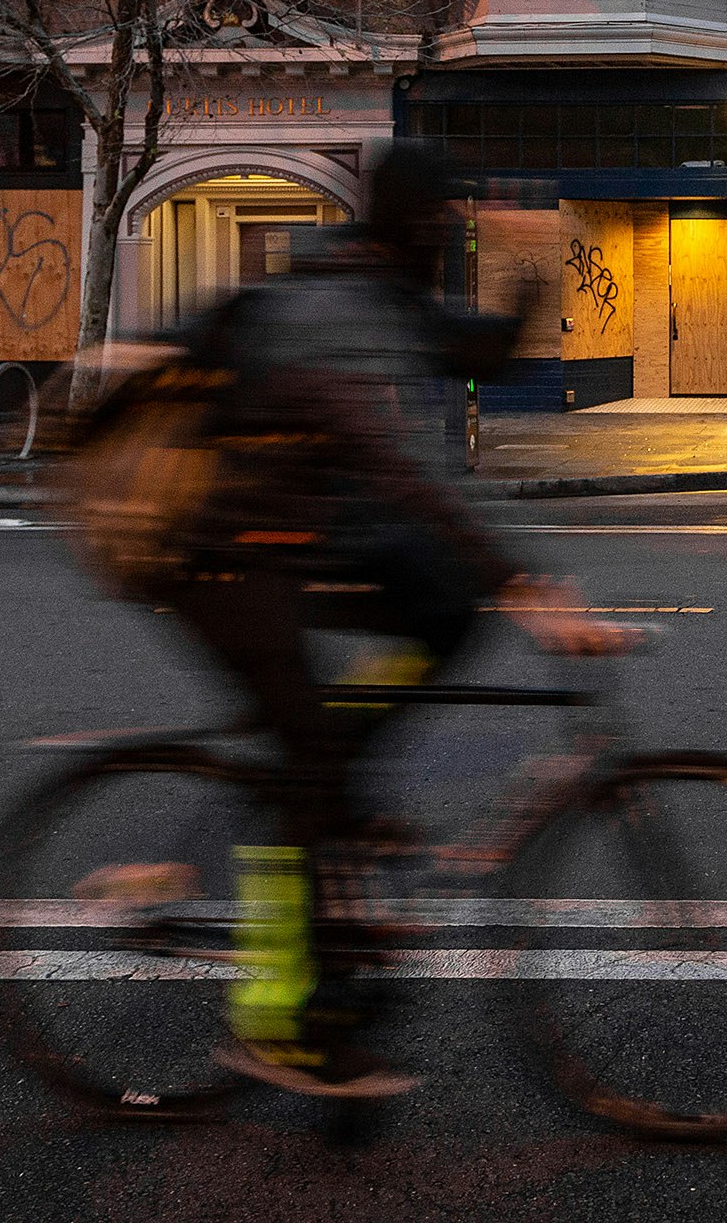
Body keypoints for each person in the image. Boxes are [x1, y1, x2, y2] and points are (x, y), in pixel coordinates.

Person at [144, 142, 622, 1099]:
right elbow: (390, 465)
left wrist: (529, 275)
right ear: (411, 222)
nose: (450, 237)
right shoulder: (333, 309)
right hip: (224, 560)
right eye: (444, 222)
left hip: (310, 542)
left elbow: (473, 354)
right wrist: (524, 582)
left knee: (447, 614)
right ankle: (278, 1023)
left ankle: (343, 788)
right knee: (312, 777)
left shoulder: (386, 289)